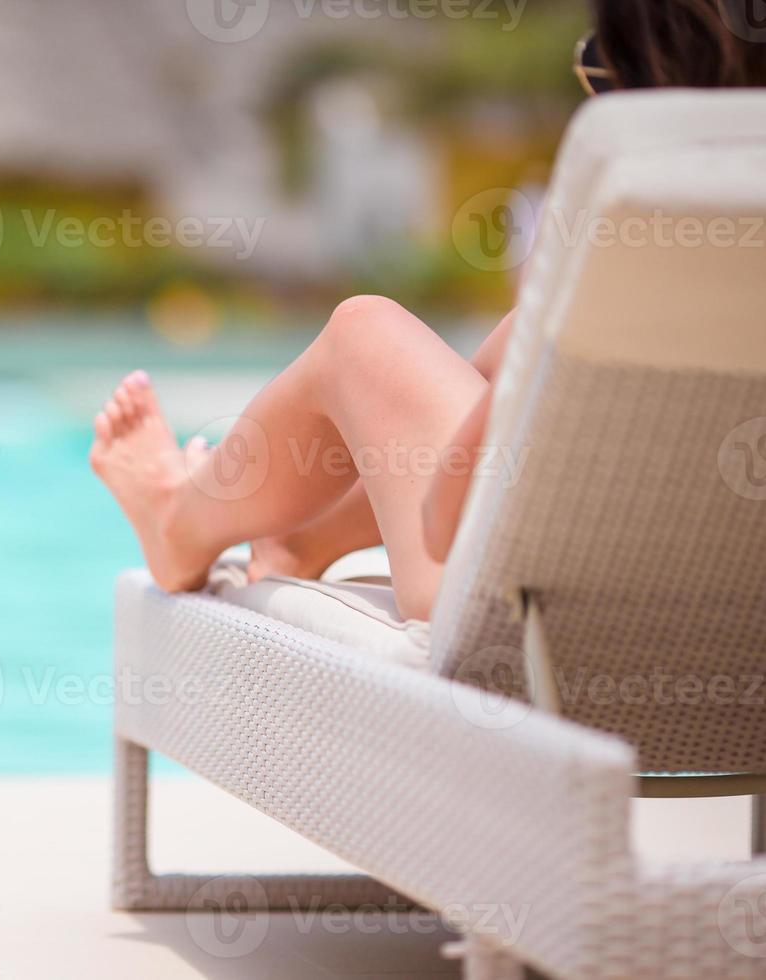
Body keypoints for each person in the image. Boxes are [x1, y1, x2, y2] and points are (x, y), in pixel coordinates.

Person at [89, 0, 766, 620]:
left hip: (548, 622)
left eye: (601, 71)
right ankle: (300, 537)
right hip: (739, 624)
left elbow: (444, 520)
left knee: (367, 336)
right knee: (500, 363)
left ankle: (182, 524)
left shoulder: (638, 241)